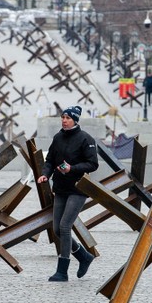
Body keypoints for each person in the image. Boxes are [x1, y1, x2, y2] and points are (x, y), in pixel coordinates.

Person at [37, 105, 99, 282]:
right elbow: (49, 160)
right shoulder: (57, 138)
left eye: (68, 118)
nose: (64, 120)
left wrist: (72, 168)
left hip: (78, 189)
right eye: (63, 117)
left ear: (75, 120)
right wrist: (45, 174)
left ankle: (62, 271)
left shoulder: (86, 139)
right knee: (57, 229)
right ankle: (84, 257)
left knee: (65, 227)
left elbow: (93, 164)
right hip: (61, 188)